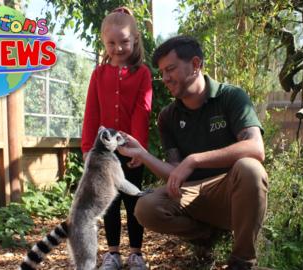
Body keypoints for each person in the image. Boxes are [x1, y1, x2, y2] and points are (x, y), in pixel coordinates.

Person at [117, 35, 268, 270]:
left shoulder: (231, 97)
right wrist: (143, 154)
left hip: (229, 191)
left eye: (171, 69)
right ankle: (206, 237)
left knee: (250, 168)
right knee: (145, 208)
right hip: (191, 193)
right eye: (162, 72)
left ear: (196, 64)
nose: (165, 78)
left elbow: (256, 148)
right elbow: (176, 175)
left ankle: (242, 261)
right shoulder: (168, 117)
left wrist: (195, 159)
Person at [80, 6, 152, 270]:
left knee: (134, 200)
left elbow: (142, 111)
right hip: (104, 153)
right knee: (109, 201)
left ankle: (136, 253)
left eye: (124, 42)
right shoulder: (99, 75)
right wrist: (88, 148)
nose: (118, 48)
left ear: (134, 40)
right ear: (104, 42)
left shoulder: (142, 73)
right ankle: (112, 253)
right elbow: (92, 112)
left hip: (131, 152)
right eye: (112, 42)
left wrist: (135, 149)